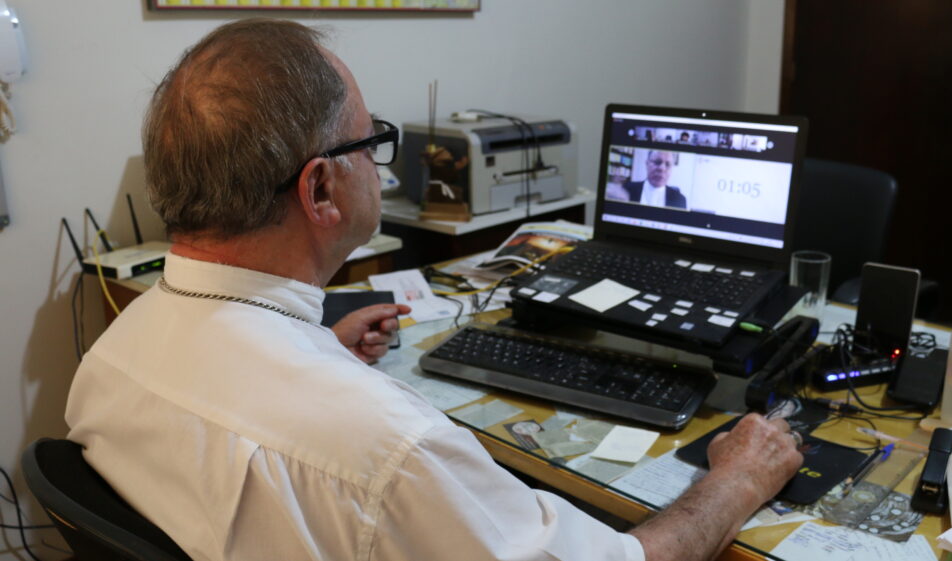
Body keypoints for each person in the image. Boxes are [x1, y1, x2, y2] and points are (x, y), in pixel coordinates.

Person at [65, 19, 803, 561]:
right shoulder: (395, 449)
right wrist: (739, 481)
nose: (381, 167)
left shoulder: (112, 355)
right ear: (320, 190)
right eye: (370, 143)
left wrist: (314, 354)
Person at [624, 150, 688, 209]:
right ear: (647, 164)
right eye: (657, 162)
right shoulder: (626, 190)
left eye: (668, 164)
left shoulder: (680, 200)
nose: (662, 168)